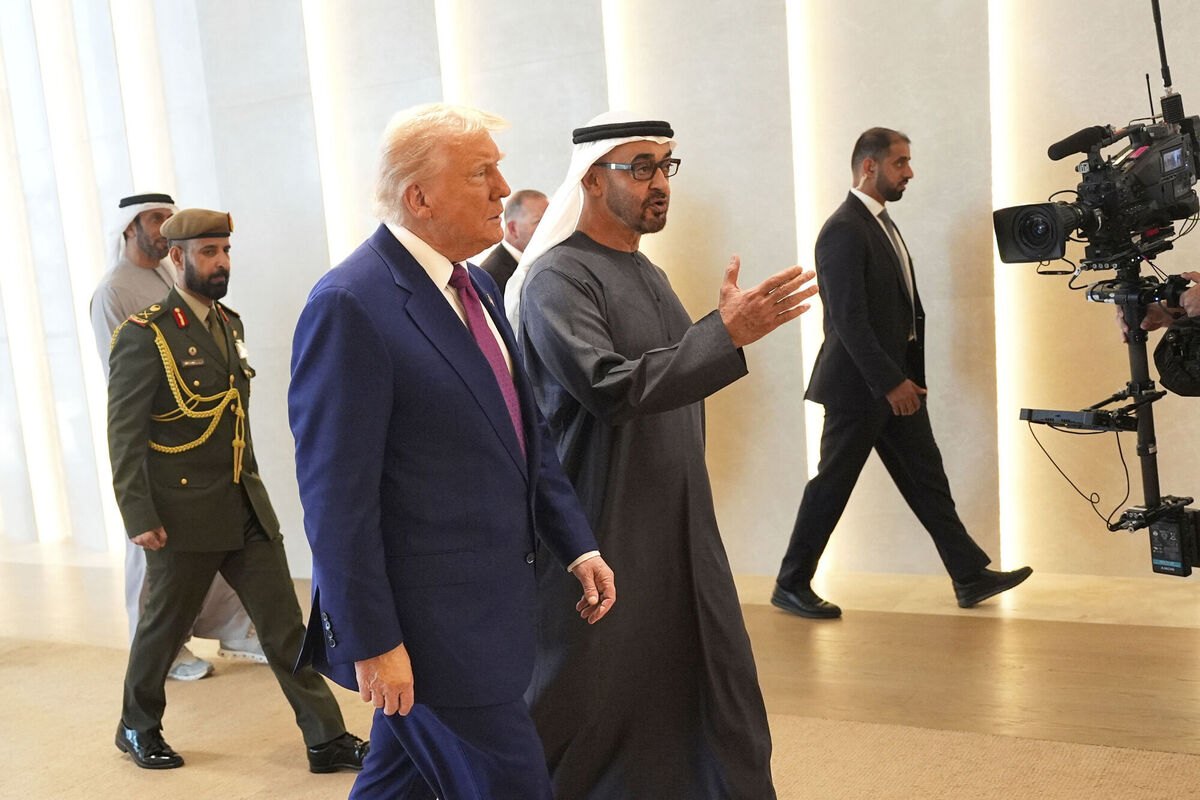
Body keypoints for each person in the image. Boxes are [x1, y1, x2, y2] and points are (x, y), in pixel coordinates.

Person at [288, 103, 616, 800]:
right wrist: (373, 639)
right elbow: (334, 499)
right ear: (420, 196)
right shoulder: (350, 303)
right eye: (482, 173)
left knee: (394, 784)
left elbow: (523, 436)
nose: (504, 189)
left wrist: (577, 545)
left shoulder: (480, 286)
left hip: (490, 613)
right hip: (430, 635)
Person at [507, 111, 817, 800]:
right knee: (590, 705)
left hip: (681, 526)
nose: (659, 184)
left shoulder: (645, 272)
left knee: (713, 685)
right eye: (639, 167)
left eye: (664, 168)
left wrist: (722, 331)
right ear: (591, 178)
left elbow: (673, 374)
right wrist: (724, 334)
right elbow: (610, 386)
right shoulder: (558, 280)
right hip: (604, 526)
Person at [107, 208, 367, 773]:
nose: (221, 262)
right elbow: (124, 433)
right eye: (208, 252)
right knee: (164, 628)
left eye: (225, 251)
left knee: (284, 629)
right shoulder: (145, 335)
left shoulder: (230, 324)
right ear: (176, 258)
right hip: (182, 512)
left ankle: (325, 738)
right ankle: (137, 724)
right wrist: (137, 513)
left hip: (244, 505)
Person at [772, 127, 1033, 620]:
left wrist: (906, 379)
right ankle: (791, 583)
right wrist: (890, 382)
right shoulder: (844, 228)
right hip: (860, 388)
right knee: (832, 485)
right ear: (869, 167)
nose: (909, 172)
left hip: (896, 385)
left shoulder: (880, 223)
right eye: (900, 163)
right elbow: (848, 320)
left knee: (926, 479)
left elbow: (901, 311)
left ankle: (969, 575)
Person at [90, 192, 264, 682]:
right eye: (154, 219)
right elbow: (120, 378)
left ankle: (232, 629)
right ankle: (166, 649)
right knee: (154, 555)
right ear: (130, 228)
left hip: (202, 442)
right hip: (154, 440)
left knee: (213, 543)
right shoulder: (113, 290)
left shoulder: (170, 273)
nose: (163, 225)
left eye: (169, 217)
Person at [478, 189, 547, 293]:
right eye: (539, 222)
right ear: (513, 229)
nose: (549, 228)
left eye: (550, 221)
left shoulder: (544, 260)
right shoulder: (489, 277)